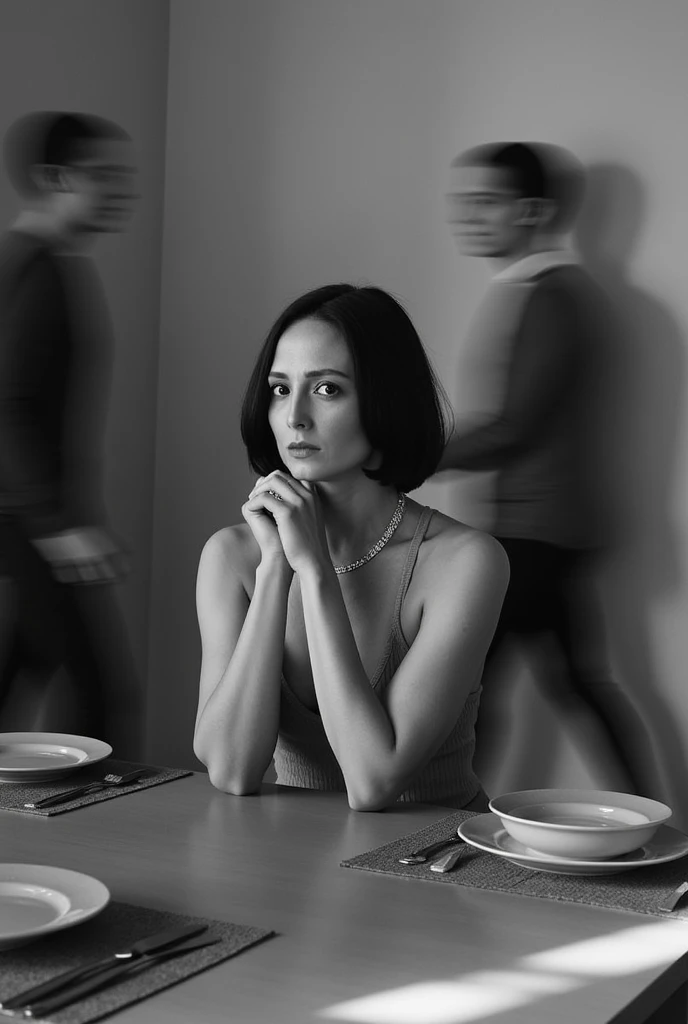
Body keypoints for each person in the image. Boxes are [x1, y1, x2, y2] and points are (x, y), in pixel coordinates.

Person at [194, 284, 509, 810]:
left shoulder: (465, 562)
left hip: (433, 866)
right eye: (279, 388)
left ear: (386, 400)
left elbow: (374, 783)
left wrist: (315, 570)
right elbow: (230, 770)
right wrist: (277, 567)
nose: (294, 416)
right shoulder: (233, 557)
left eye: (327, 390)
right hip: (293, 864)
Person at [438, 141, 654, 795]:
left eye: (485, 204)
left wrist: (408, 456)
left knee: (474, 688)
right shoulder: (538, 290)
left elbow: (514, 426)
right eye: (461, 202)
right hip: (539, 530)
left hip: (536, 532)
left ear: (532, 211)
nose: (466, 217)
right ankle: (656, 826)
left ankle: (436, 825)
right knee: (555, 684)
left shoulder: (552, 296)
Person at [0, 111, 141, 753]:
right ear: (53, 177)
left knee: (29, 676)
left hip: (30, 526)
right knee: (102, 698)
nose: (121, 191)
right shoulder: (39, 272)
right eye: (104, 176)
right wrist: (58, 525)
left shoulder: (37, 263)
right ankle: (108, 836)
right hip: (32, 530)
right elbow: (10, 404)